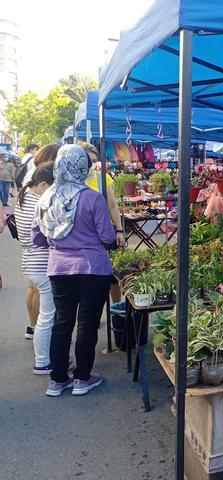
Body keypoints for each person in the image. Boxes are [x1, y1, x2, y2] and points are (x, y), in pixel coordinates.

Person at [32, 144, 115, 397]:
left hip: (58, 269)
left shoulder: (45, 198)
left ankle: (57, 380)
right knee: (87, 325)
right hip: (93, 268)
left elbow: (37, 238)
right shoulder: (91, 197)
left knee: (62, 323)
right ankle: (82, 378)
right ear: (83, 167)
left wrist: (60, 240)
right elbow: (107, 235)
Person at [15, 163, 56, 374]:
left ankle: (47, 358)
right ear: (42, 184)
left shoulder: (24, 198)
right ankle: (43, 362)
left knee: (46, 317)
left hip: (30, 261)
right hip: (41, 263)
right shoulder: (39, 203)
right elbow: (46, 235)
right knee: (47, 317)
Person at [22, 144, 61, 338]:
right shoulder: (39, 199)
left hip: (29, 255)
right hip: (40, 258)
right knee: (47, 316)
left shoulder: (26, 190)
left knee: (33, 289)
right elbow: (41, 232)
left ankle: (33, 329)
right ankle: (44, 357)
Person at [79, 142, 125, 248]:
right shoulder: (72, 180)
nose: (92, 164)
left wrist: (119, 230)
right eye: (88, 160)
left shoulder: (103, 178)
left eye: (94, 161)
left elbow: (113, 206)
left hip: (101, 233)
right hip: (80, 235)